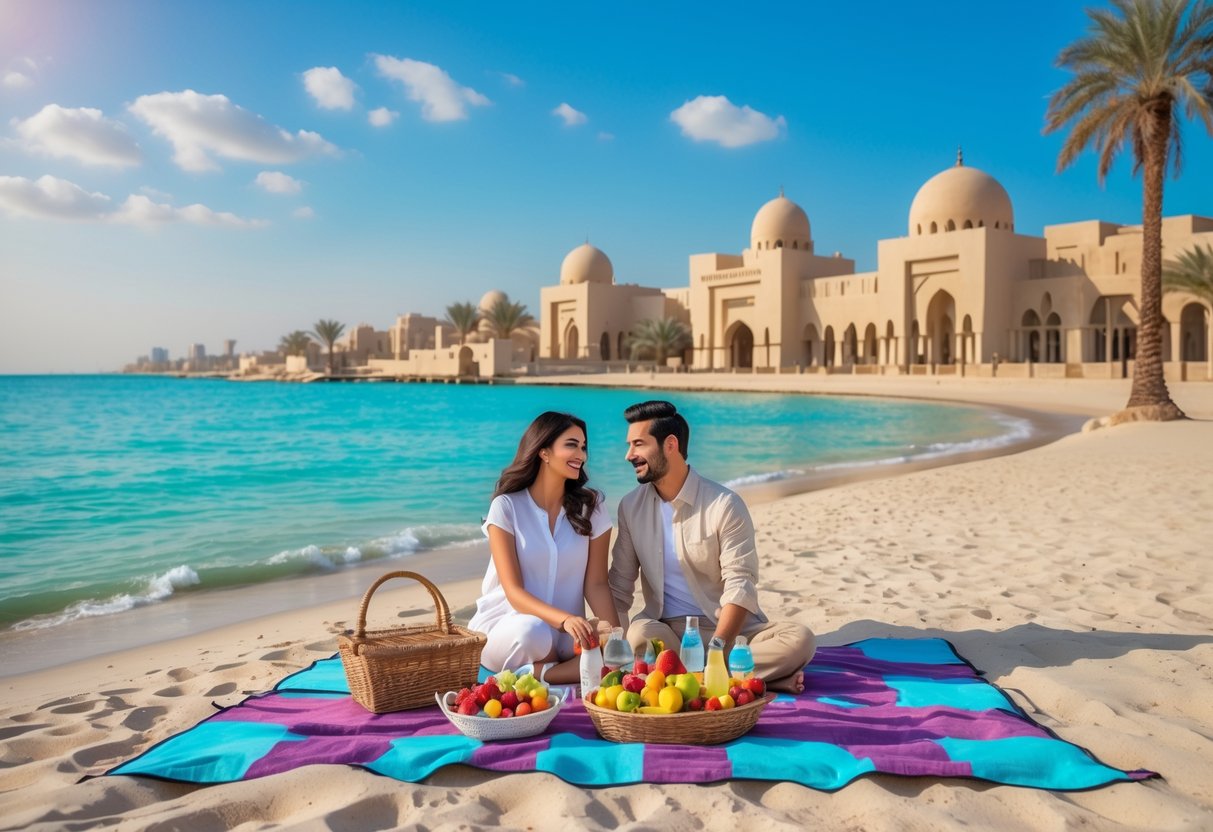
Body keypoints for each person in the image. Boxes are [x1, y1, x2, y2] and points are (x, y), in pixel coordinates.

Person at [608, 400, 816, 693]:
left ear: (670, 445)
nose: (629, 455)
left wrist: (718, 648)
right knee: (640, 633)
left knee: (800, 639)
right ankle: (744, 678)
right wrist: (614, 650)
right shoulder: (631, 507)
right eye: (630, 445)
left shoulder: (724, 504)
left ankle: (692, 678)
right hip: (669, 632)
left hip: (730, 630)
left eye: (638, 444)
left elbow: (740, 584)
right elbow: (619, 589)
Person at [469, 411, 620, 684]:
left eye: (584, 446)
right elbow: (514, 593)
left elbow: (596, 583)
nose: (582, 455)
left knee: (612, 655)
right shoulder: (506, 507)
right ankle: (555, 668)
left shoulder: (593, 507)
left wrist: (615, 639)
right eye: (571, 445)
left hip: (566, 636)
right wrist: (565, 620)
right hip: (511, 628)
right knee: (533, 632)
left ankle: (536, 673)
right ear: (544, 452)